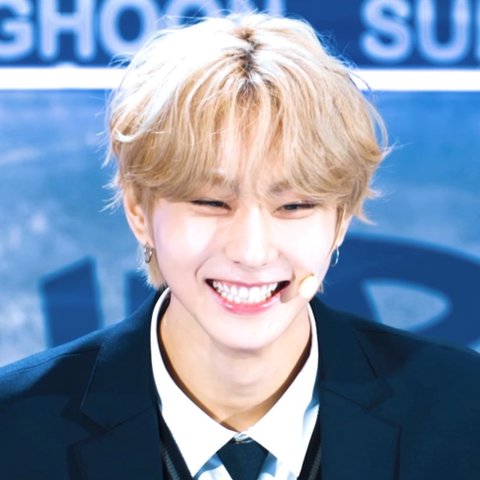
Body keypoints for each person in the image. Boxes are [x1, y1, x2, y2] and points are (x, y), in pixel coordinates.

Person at [1, 12, 479, 480]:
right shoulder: (14, 429)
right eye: (211, 202)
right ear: (139, 211)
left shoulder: (464, 412)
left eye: (293, 206)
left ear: (340, 220)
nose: (251, 252)